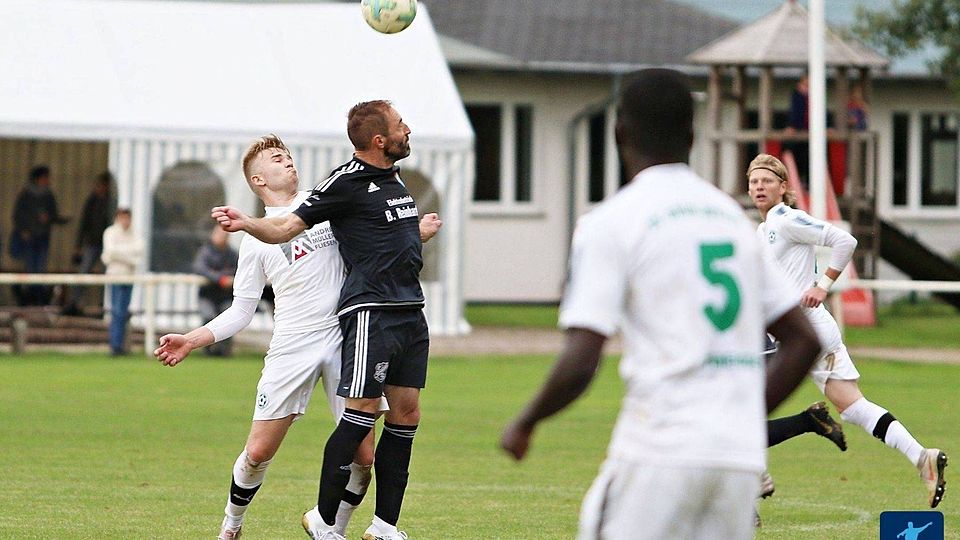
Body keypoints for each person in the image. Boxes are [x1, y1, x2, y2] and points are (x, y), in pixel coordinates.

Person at [499, 69, 822, 540]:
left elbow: (582, 355)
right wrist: (744, 418)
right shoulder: (730, 219)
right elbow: (803, 339)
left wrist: (526, 420)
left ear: (619, 133)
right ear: (692, 135)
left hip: (660, 451)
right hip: (736, 461)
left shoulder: (612, 222)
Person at [156, 134, 441, 540]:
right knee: (258, 453)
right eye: (276, 158)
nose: (288, 161)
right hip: (293, 345)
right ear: (258, 180)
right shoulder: (254, 240)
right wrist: (192, 339)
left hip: (349, 336)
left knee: (364, 456)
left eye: (288, 155)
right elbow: (241, 310)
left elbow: (378, 239)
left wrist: (416, 231)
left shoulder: (327, 202)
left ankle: (331, 529)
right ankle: (231, 525)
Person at [747, 152, 947, 509]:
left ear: (783, 187)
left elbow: (845, 241)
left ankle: (753, 484)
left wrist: (823, 285)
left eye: (767, 181)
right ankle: (922, 457)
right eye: (754, 181)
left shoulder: (787, 219)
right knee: (853, 407)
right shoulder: (764, 230)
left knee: (737, 405)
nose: (759, 187)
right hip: (801, 332)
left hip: (799, 332)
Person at [10, 165, 70, 305]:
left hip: (43, 236)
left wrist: (49, 218)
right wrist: (23, 230)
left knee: (40, 269)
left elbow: (54, 215)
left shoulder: (49, 195)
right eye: (45, 177)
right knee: (31, 268)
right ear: (38, 178)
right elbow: (17, 215)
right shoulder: (26, 194)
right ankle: (29, 299)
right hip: (30, 237)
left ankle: (38, 299)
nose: (47, 180)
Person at [66, 172, 114, 314]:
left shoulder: (110, 202)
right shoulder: (92, 201)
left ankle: (104, 304)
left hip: (107, 246)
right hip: (92, 243)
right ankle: (75, 302)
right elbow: (84, 224)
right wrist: (78, 245)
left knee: (107, 276)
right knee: (83, 273)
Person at [100, 208, 144, 355]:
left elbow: (139, 252)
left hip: (129, 277)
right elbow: (109, 253)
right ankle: (115, 346)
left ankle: (120, 345)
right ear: (118, 218)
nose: (125, 221)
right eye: (122, 218)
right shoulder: (110, 232)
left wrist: (120, 254)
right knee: (117, 311)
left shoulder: (135, 233)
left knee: (124, 312)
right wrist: (130, 256)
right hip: (115, 276)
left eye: (127, 218)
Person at [193, 226, 240, 356]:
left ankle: (224, 351)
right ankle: (207, 349)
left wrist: (224, 276)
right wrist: (219, 278)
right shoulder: (205, 251)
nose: (222, 237)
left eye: (225, 234)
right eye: (219, 234)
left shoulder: (232, 254)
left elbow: (238, 269)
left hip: (225, 295)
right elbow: (199, 268)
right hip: (207, 295)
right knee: (208, 317)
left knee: (229, 319)